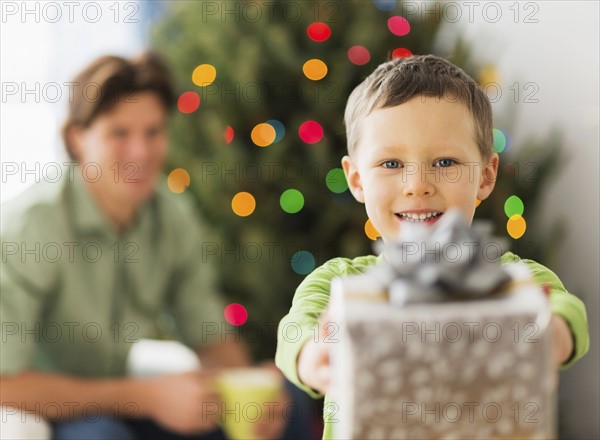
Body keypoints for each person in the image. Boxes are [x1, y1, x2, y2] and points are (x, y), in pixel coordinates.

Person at [275, 54, 590, 439]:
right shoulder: (338, 282)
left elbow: (565, 310)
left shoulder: (513, 280)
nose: (417, 184)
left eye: (444, 161)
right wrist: (312, 355)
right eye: (391, 164)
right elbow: (296, 329)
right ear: (356, 180)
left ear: (486, 175)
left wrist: (551, 333)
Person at [1, 52, 311, 439]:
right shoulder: (32, 225)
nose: (141, 152)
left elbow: (209, 333)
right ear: (77, 138)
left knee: (288, 399)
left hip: (122, 395)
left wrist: (247, 388)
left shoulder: (170, 213)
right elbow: (4, 384)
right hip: (42, 408)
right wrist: (144, 397)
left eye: (153, 132)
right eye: (120, 133)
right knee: (102, 435)